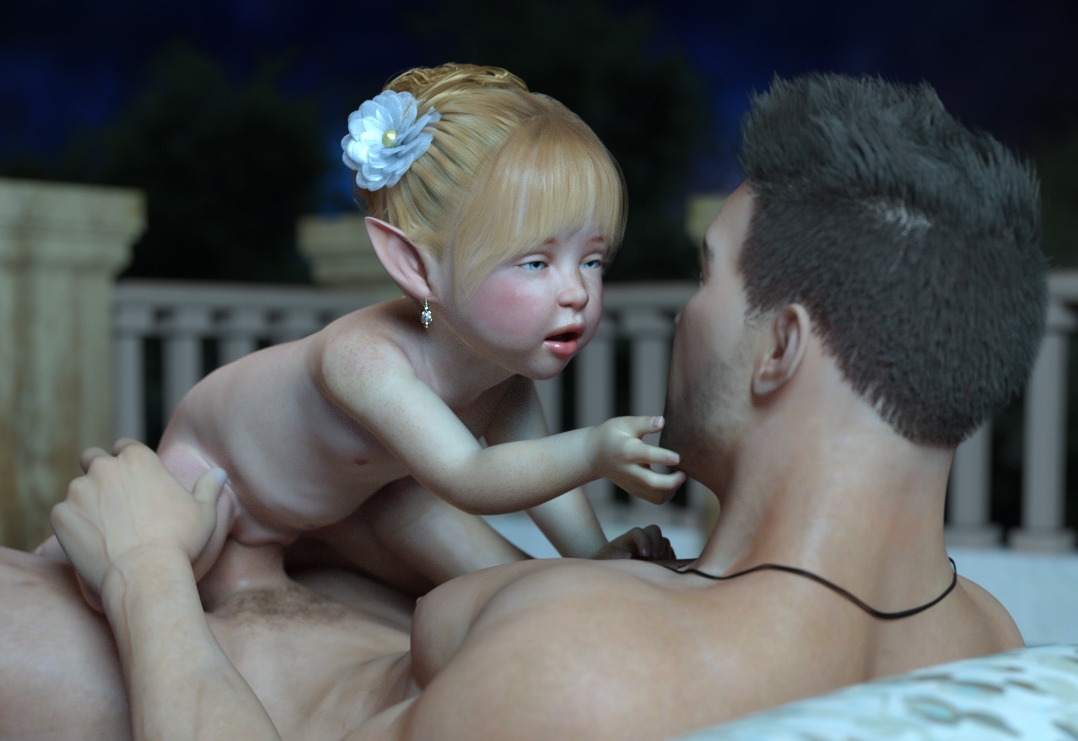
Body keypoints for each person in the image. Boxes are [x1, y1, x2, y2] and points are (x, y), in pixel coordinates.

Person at [1, 73, 1043, 741]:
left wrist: (144, 567)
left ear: (779, 349)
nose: (677, 316)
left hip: (205, 713)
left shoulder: (598, 674)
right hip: (299, 622)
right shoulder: (985, 645)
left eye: (704, 279)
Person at [37, 63, 684, 601]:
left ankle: (581, 583)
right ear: (414, 267)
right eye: (536, 263)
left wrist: (592, 549)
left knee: (512, 583)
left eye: (592, 261)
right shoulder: (363, 358)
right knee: (139, 572)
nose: (577, 292)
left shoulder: (496, 373)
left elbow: (536, 474)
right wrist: (594, 449)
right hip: (219, 480)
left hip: (355, 501)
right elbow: (469, 474)